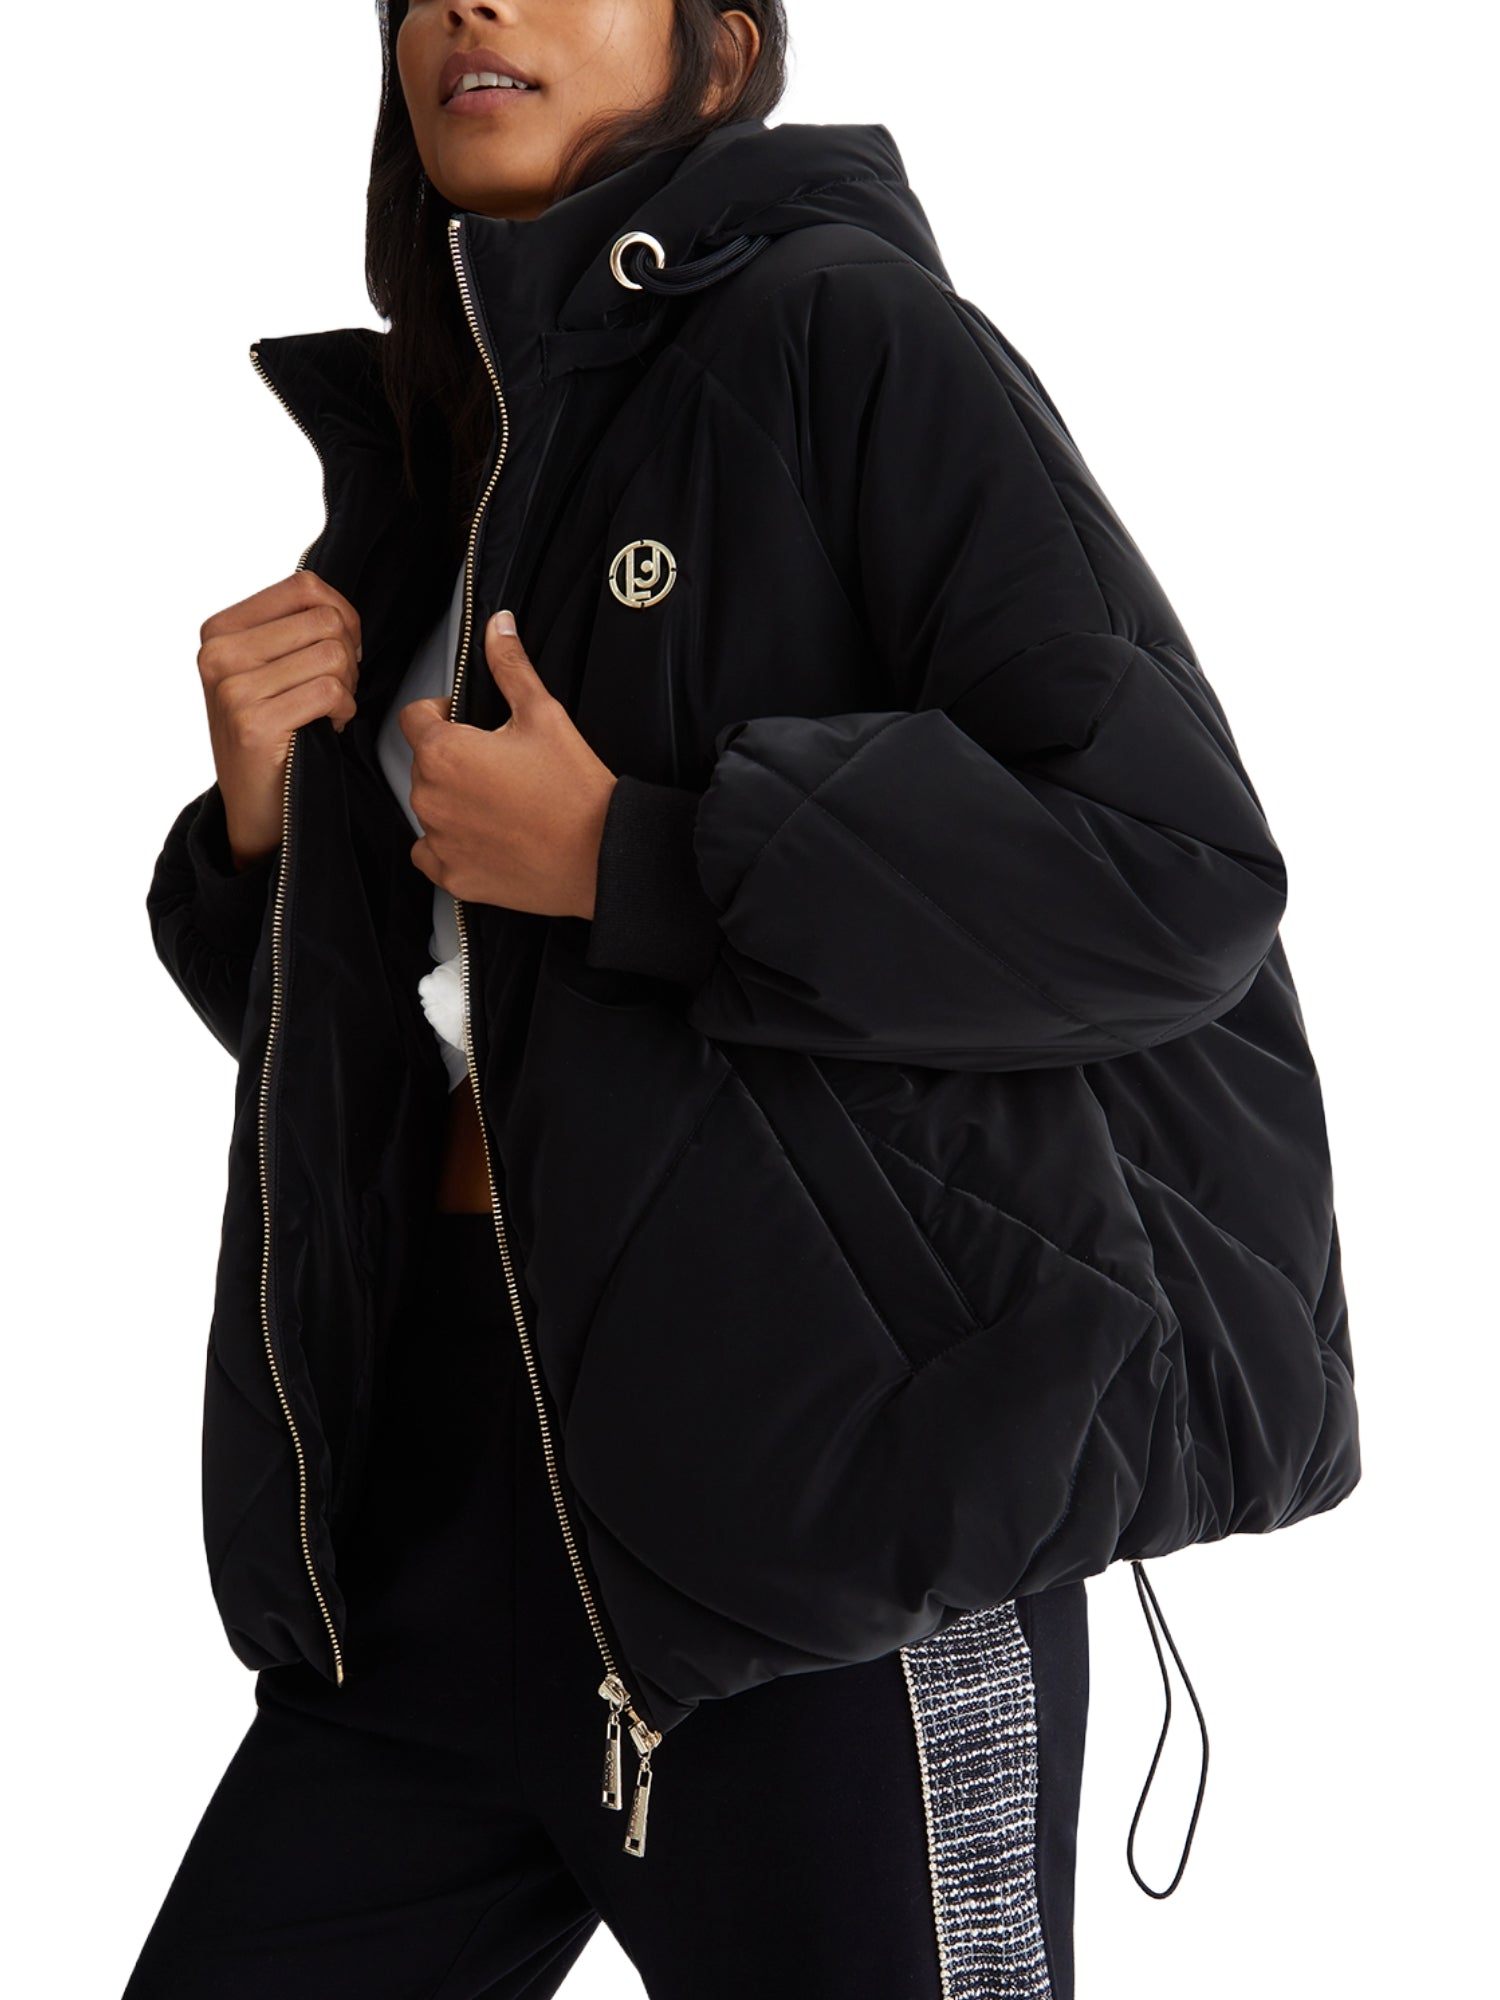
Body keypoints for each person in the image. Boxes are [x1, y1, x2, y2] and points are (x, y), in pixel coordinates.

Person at [129, 2, 1359, 1995]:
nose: (468, 4)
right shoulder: (450, 453)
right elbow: (441, 1043)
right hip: (426, 1528)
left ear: (720, 43)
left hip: (834, 1555)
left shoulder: (851, 340)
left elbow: (1169, 874)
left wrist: (641, 854)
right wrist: (274, 839)